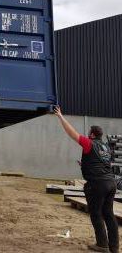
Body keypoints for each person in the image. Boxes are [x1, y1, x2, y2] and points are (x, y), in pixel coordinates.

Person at [54, 106, 119, 253]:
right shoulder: (106, 147)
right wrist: (85, 164)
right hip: (111, 183)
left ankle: (102, 245)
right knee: (108, 214)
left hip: (98, 185)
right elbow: (103, 163)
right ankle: (114, 247)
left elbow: (72, 133)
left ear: (92, 134)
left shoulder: (89, 143)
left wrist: (60, 117)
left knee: (96, 213)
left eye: (89, 132)